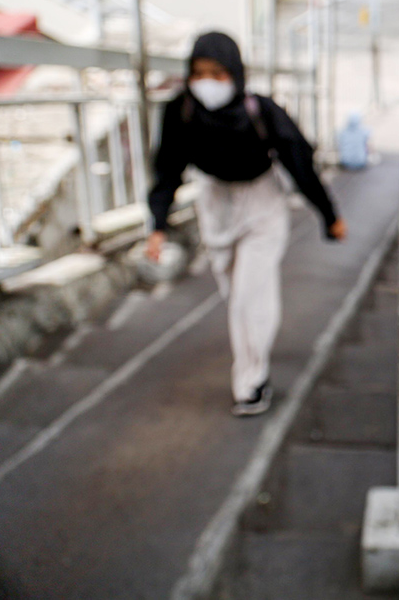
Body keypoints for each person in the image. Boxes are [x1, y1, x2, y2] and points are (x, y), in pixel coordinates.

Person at [145, 32, 347, 416]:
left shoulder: (262, 111)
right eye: (199, 73)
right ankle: (254, 351)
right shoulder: (179, 112)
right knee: (231, 287)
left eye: (218, 74)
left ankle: (252, 383)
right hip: (215, 202)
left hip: (261, 203)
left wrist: (329, 215)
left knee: (247, 298)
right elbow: (167, 169)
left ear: (236, 74)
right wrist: (158, 225)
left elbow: (299, 162)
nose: (208, 83)